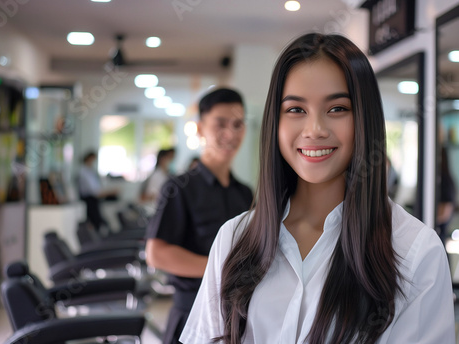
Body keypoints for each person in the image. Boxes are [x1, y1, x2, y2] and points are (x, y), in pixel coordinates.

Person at [180, 33, 455, 344]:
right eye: (296, 110)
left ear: (365, 118)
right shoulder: (234, 239)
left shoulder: (414, 252)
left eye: (337, 109)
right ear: (276, 122)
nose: (315, 130)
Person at [145, 88, 253, 344]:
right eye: (221, 124)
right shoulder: (179, 188)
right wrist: (222, 269)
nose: (231, 133)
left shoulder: (245, 193)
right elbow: (156, 253)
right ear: (200, 128)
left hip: (238, 319)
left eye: (238, 124)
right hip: (191, 317)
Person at [78, 151, 118, 230]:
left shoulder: (90, 171)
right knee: (96, 222)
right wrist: (110, 192)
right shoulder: (84, 172)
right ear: (89, 159)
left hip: (94, 199)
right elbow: (95, 191)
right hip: (89, 200)